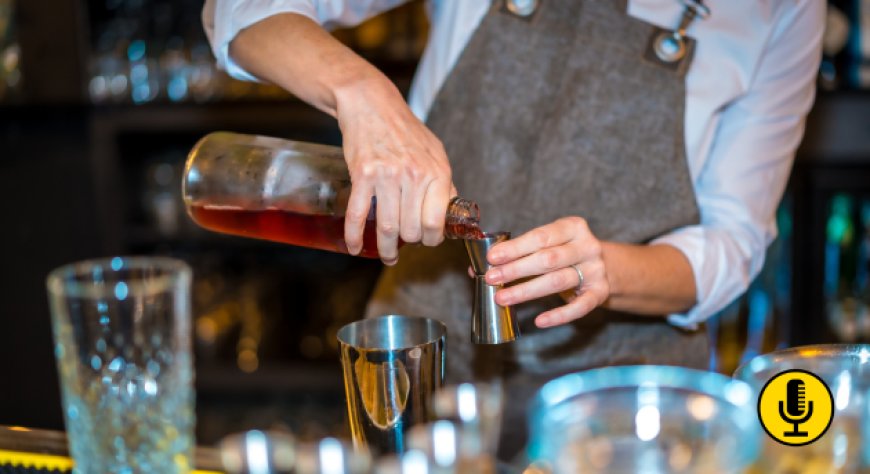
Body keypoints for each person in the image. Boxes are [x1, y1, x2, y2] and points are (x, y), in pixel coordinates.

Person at [203, 0, 824, 457]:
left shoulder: (782, 9)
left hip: (618, 406)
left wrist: (607, 269)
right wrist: (364, 94)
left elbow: (732, 242)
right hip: (423, 367)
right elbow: (238, 12)